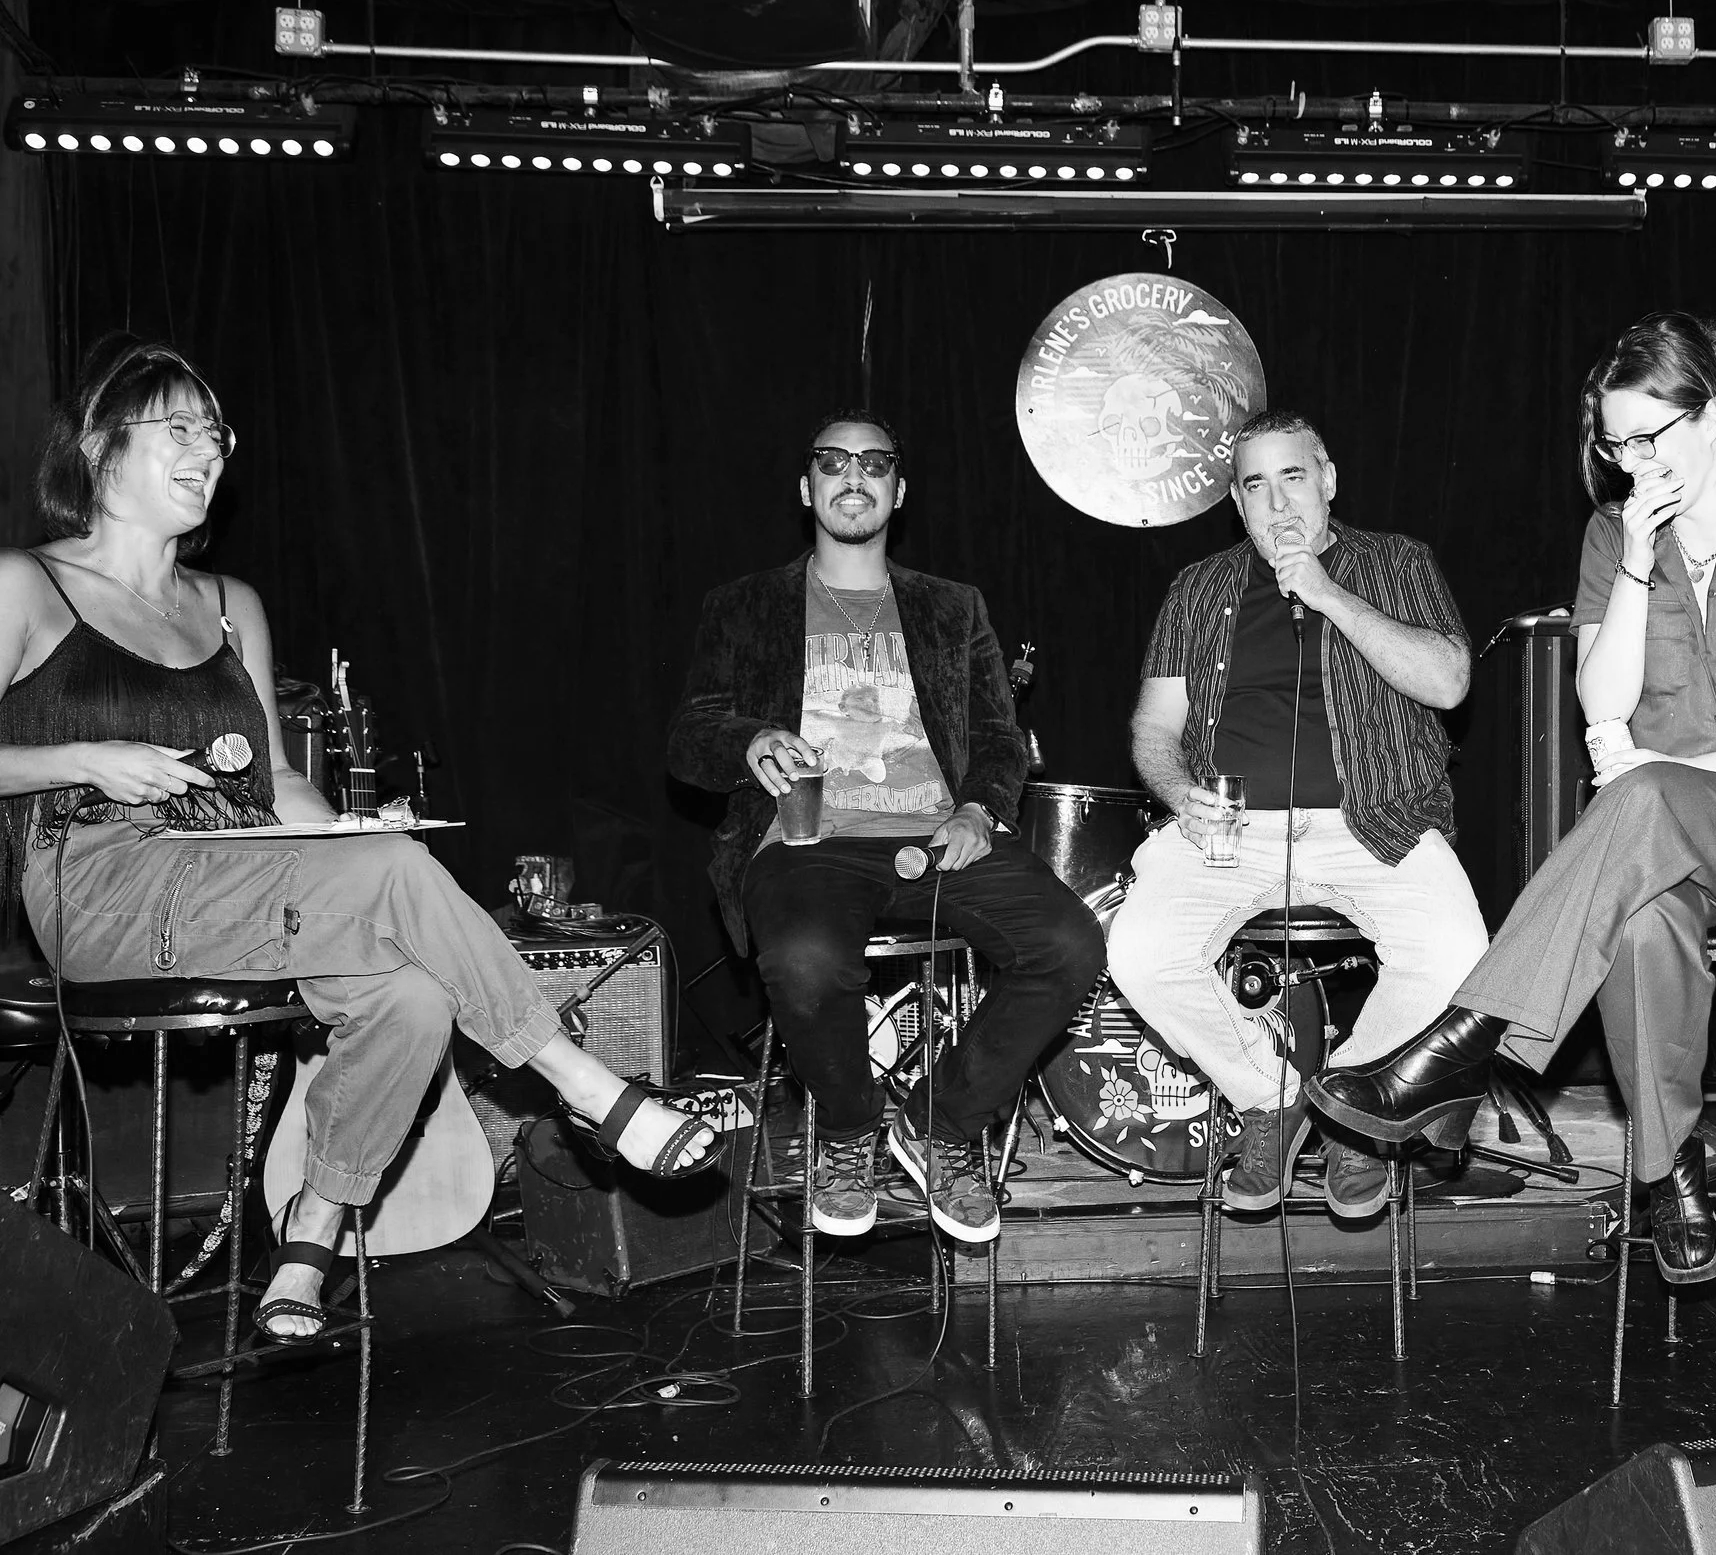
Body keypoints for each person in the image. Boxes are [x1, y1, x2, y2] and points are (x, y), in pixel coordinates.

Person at [1, 336, 723, 1340]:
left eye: (217, 433)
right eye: (180, 427)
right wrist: (86, 758)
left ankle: (315, 1225)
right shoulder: (28, 585)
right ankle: (588, 1088)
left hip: (233, 871)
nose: (208, 450)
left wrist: (340, 825)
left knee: (415, 992)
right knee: (393, 879)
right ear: (96, 445)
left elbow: (276, 782)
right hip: (96, 876)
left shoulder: (227, 604)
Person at [1310, 313, 1716, 1283]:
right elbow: (1600, 702)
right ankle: (1669, 1175)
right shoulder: (1611, 536)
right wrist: (1631, 559)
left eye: (1645, 438)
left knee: (1650, 792)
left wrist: (1680, 778)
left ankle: (1463, 1042)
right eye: (1612, 445)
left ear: (1711, 418)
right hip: (1667, 842)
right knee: (1640, 922)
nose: (1628, 464)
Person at [668, 410, 1102, 1245]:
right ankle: (846, 1129)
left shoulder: (951, 607)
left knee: (1072, 944)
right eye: (832, 461)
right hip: (806, 842)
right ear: (807, 488)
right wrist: (749, 739)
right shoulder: (746, 605)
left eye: (874, 462)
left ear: (899, 491)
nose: (853, 475)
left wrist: (980, 808)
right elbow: (689, 736)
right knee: (801, 959)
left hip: (942, 837)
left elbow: (1000, 736)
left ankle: (940, 1124)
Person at [1109, 409, 1487, 1219]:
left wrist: (1326, 592)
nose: (1278, 503)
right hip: (1230, 831)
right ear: (1236, 505)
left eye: (1293, 477)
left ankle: (1352, 1115)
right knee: (1139, 950)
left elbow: (1450, 682)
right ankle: (1271, 1097)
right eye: (1255, 485)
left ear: (1327, 481)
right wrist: (1182, 796)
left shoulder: (1395, 562)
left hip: (1375, 819)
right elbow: (1153, 731)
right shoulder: (1198, 588)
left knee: (1459, 953)